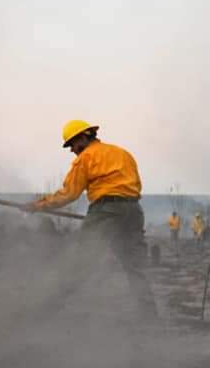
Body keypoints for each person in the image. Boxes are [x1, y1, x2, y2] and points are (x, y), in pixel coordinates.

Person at [30, 119, 159, 322]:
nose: (72, 150)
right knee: (135, 266)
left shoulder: (86, 158)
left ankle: (46, 311)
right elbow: (135, 185)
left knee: (81, 260)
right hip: (134, 211)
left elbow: (69, 194)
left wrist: (39, 206)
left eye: (72, 144)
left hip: (105, 210)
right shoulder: (122, 153)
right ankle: (150, 317)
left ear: (84, 136)